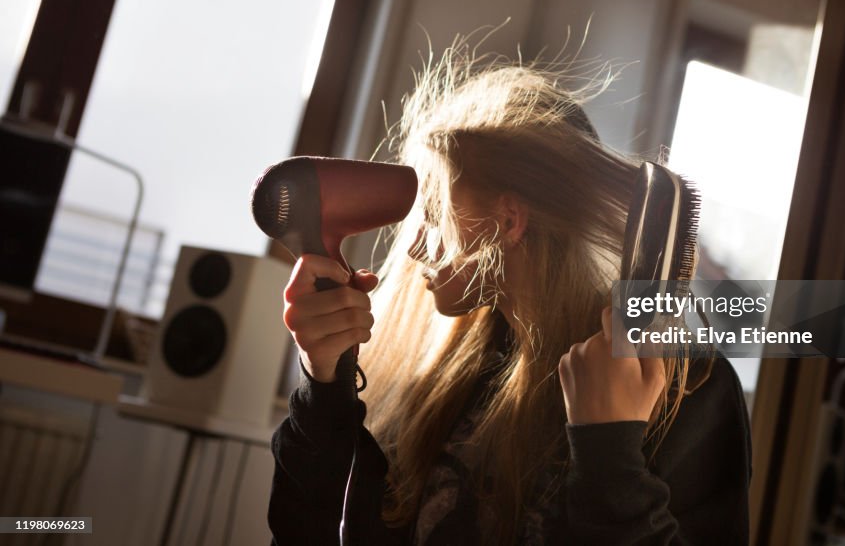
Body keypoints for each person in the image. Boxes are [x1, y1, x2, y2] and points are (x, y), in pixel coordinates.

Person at [268, 43, 752, 545]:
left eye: (432, 214)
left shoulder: (689, 388)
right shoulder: (445, 380)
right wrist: (323, 388)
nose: (413, 247)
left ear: (508, 219)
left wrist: (609, 451)